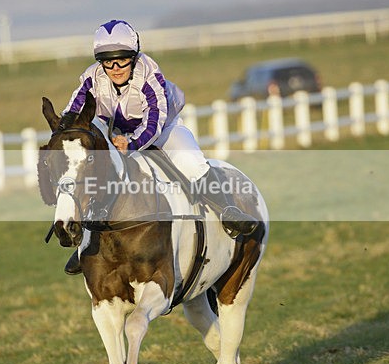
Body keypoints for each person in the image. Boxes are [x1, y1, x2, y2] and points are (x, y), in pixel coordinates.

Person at [62, 19, 257, 274]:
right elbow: (72, 115)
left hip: (164, 128)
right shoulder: (92, 78)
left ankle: (228, 210)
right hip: (117, 133)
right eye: (107, 61)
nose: (115, 67)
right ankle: (87, 245)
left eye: (122, 59)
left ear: (134, 56)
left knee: (190, 162)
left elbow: (154, 121)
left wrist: (131, 144)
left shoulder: (148, 72)